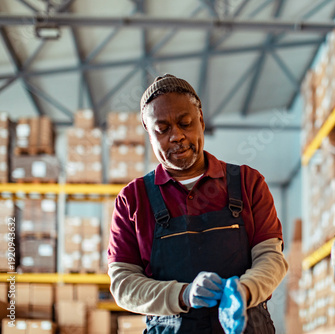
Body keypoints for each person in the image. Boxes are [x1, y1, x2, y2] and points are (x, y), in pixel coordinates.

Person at [107, 74, 289, 334]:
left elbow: (271, 257)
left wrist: (245, 290)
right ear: (149, 132)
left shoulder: (248, 183)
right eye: (163, 129)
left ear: (201, 120)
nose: (177, 136)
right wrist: (183, 294)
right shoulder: (133, 199)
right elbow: (123, 285)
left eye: (185, 123)